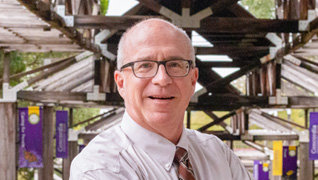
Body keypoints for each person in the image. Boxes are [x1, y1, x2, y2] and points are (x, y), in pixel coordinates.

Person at [70, 18, 252, 180]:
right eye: (145, 65)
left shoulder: (218, 154)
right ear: (121, 82)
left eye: (175, 65)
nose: (162, 79)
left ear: (193, 80)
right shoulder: (99, 168)